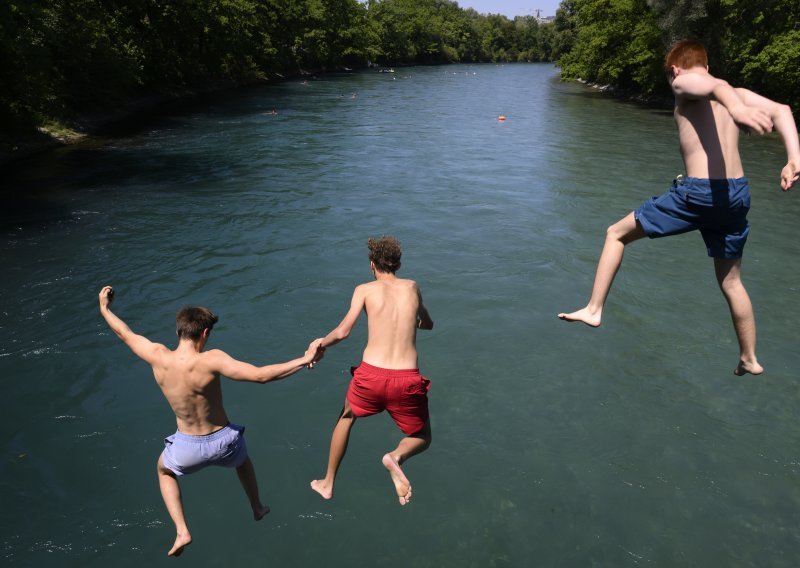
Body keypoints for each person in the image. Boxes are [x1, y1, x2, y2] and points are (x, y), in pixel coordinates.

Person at [558, 39, 800, 376]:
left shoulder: (683, 83)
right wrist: (793, 159)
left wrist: (738, 110)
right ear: (707, 62)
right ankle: (749, 357)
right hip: (736, 197)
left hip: (699, 195)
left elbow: (715, 85)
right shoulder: (739, 92)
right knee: (731, 283)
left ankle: (594, 309)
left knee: (615, 234)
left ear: (675, 69)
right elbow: (783, 110)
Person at [97, 285, 322, 556]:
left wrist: (104, 308)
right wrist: (304, 359)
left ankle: (182, 530)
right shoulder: (211, 360)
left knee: (164, 471)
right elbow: (262, 375)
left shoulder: (157, 356)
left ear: (178, 331)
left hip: (186, 448)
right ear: (204, 333)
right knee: (243, 460)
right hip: (224, 442)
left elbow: (125, 333)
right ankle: (257, 507)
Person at [309, 236, 434, 505]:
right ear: (398, 264)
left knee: (346, 417)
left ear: (372, 265)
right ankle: (395, 457)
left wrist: (319, 345)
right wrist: (414, 324)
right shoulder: (412, 287)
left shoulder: (364, 289)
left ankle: (328, 483)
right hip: (407, 379)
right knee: (423, 436)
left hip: (371, 375)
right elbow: (428, 323)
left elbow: (342, 332)